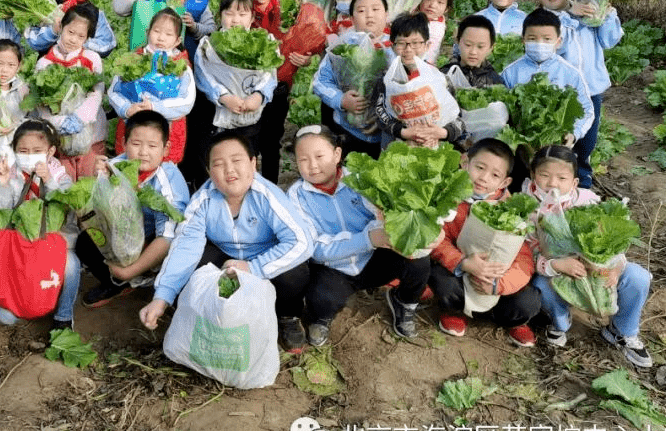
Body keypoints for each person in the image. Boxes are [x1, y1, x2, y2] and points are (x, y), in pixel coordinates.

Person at [139, 131, 314, 353]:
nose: (229, 170)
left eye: (237, 160)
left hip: (264, 259)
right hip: (225, 258)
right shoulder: (202, 200)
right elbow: (185, 246)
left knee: (295, 273)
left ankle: (287, 315)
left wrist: (253, 268)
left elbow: (301, 242)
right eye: (219, 164)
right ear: (209, 172)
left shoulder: (267, 196)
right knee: (194, 264)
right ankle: (212, 318)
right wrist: (162, 297)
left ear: (253, 163)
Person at [288, 125, 431, 344]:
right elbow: (314, 249)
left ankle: (404, 302)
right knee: (321, 301)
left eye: (319, 156)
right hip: (334, 266)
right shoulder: (296, 196)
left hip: (376, 258)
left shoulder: (361, 177)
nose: (313, 166)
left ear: (337, 154)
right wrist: (367, 239)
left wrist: (389, 230)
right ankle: (321, 319)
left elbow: (382, 213)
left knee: (418, 261)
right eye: (303, 160)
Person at [524, 145, 652, 367]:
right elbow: (528, 252)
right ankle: (560, 323)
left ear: (574, 182)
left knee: (638, 277)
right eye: (544, 176)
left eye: (562, 178)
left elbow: (615, 244)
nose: (552, 184)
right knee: (540, 285)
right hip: (558, 273)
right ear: (533, 176)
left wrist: (615, 268)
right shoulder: (527, 207)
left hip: (598, 272)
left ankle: (622, 331)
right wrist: (557, 265)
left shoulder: (589, 201)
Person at [429, 138, 541, 347]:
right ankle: (455, 311)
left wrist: (500, 284)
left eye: (495, 175)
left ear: (505, 183)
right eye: (479, 168)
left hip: (497, 285)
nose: (483, 178)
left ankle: (513, 321)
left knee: (529, 301)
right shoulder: (447, 196)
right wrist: (463, 263)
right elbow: (437, 240)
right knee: (439, 278)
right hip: (462, 274)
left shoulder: (513, 208)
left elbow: (524, 260)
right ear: (464, 162)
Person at [76, 111, 190, 307]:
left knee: (170, 250)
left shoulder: (169, 184)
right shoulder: (115, 167)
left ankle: (145, 276)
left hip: (153, 240)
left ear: (166, 148)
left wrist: (130, 269)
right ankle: (118, 283)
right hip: (122, 234)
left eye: (152, 146)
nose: (143, 152)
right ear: (123, 143)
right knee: (84, 243)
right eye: (136, 144)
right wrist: (98, 179)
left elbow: (167, 238)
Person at [531, 0, 623, 188]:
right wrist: (572, 14)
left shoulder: (588, 12)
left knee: (587, 141)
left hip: (590, 89)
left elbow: (609, 40)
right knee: (560, 140)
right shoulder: (541, 19)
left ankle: (581, 183)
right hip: (559, 93)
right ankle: (549, 183)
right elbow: (551, 45)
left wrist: (607, 14)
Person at [0, 119, 80, 332]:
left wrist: (48, 181)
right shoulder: (11, 173)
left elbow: (67, 206)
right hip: (20, 248)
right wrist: (2, 186)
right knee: (6, 318)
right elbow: (0, 214)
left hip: (53, 243)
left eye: (37, 150)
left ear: (50, 152)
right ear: (14, 151)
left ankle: (63, 316)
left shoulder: (60, 175)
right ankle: (28, 300)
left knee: (72, 265)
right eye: (23, 150)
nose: (29, 155)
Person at [193, 0, 278, 164]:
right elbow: (203, 76)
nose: (235, 19)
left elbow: (269, 76)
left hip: (250, 117)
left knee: (245, 159)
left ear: (252, 18)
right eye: (229, 13)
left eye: (242, 14)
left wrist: (258, 96)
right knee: (215, 159)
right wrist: (223, 97)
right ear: (220, 15)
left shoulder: (265, 42)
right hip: (216, 117)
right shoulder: (207, 45)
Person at [106, 8, 195, 163]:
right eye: (157, 31)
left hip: (168, 130)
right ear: (148, 32)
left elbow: (187, 101)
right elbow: (114, 91)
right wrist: (126, 109)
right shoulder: (132, 59)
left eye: (168, 34)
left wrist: (155, 107)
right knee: (129, 171)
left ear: (177, 40)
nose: (161, 38)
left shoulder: (182, 67)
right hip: (132, 125)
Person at [246, 0, 308, 183]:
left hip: (279, 85)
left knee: (272, 142)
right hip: (248, 88)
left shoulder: (287, 11)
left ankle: (270, 187)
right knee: (250, 140)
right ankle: (249, 186)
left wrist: (306, 57)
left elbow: (304, 41)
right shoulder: (242, 9)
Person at [312, 0, 392, 159]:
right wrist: (341, 100)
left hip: (385, 136)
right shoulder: (342, 47)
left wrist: (382, 116)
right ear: (352, 18)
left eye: (376, 9)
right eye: (361, 11)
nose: (369, 15)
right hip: (347, 132)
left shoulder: (396, 48)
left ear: (386, 14)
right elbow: (320, 82)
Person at [32, 5, 106, 180]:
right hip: (60, 137)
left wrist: (81, 118)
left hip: (91, 134)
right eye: (70, 32)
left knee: (91, 180)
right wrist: (59, 122)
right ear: (61, 28)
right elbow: (40, 102)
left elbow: (97, 92)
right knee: (64, 181)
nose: (73, 40)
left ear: (87, 38)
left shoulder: (92, 59)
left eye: (81, 36)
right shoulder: (44, 63)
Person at [500, 8, 593, 146]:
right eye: (532, 39)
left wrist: (574, 133)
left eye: (547, 39)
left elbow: (587, 110)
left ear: (559, 41)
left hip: (556, 145)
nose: (539, 43)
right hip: (519, 147)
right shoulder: (510, 72)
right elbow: (500, 109)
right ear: (523, 40)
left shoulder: (571, 73)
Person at [373, 12, 463, 149]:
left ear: (427, 45)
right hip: (397, 148)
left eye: (415, 43)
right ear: (392, 46)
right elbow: (380, 112)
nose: (408, 49)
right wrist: (403, 132)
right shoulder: (387, 80)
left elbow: (457, 118)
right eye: (401, 43)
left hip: (435, 149)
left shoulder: (439, 79)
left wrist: (442, 133)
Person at [440, 15, 504, 88]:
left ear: (491, 48)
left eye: (480, 47)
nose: (473, 52)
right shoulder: (444, 74)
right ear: (458, 42)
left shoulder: (496, 81)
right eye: (468, 45)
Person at [416, 0, 454, 65]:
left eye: (440, 2)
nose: (432, 5)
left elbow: (429, 56)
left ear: (446, 9)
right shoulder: (414, 12)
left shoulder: (436, 28)